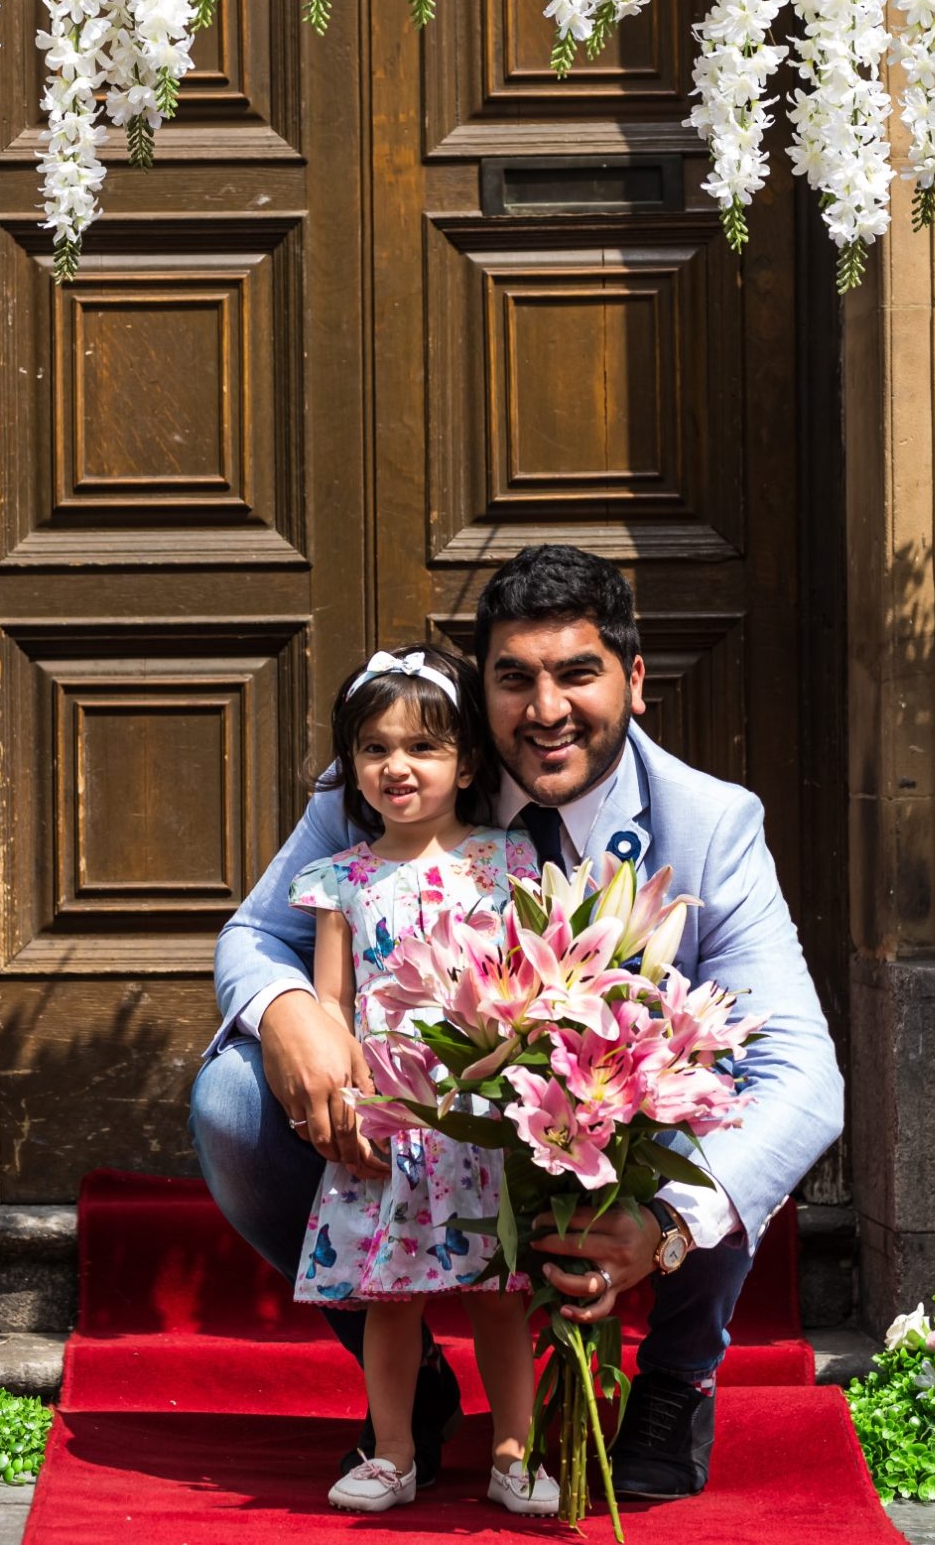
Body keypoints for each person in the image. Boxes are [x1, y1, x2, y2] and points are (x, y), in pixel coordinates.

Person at [191, 545, 845, 1502]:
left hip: (609, 1132)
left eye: (577, 673)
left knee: (705, 1098)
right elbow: (255, 934)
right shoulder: (398, 777)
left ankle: (674, 1377)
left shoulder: (711, 826)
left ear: (635, 680)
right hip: (423, 1120)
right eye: (514, 680)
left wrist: (660, 1224)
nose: (544, 711)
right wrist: (292, 1010)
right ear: (479, 695)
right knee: (233, 1098)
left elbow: (803, 1077)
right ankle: (406, 1386)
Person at [285, 643, 558, 1516]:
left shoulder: (509, 863)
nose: (396, 767)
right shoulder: (342, 880)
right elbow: (330, 1002)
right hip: (392, 1125)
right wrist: (345, 1101)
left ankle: (514, 1455)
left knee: (500, 1294)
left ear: (468, 760)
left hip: (484, 1121)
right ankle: (394, 1451)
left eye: (423, 747)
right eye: (374, 748)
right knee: (390, 1300)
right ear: (350, 766)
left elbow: (535, 980)